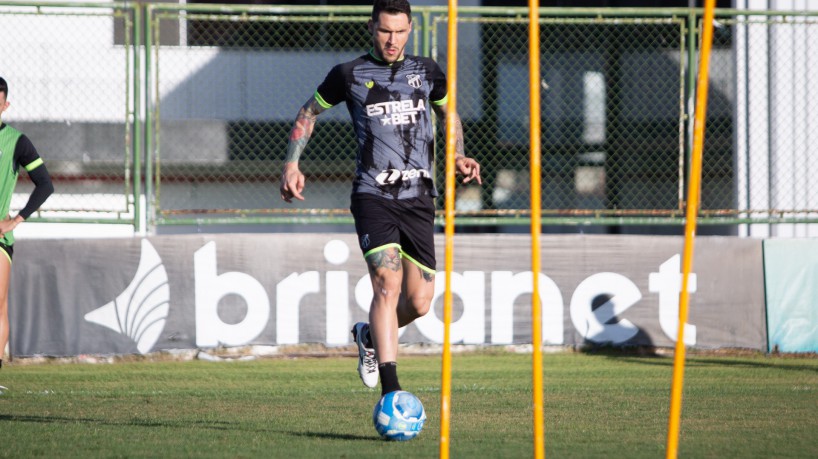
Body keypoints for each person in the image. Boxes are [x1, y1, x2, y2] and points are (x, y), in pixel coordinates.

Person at [280, 0, 481, 396]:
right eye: (385, 31)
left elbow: (449, 114)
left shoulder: (426, 72)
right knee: (386, 287)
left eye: (400, 31)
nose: (392, 40)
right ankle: (393, 392)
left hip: (420, 197)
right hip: (374, 195)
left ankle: (369, 338)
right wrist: (291, 164)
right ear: (372, 28)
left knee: (420, 302)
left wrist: (458, 153)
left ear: (410, 30)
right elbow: (308, 112)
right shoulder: (348, 74)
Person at [0, 77, 55, 382]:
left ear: (5, 106)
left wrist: (14, 220)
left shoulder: (16, 141)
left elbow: (45, 184)